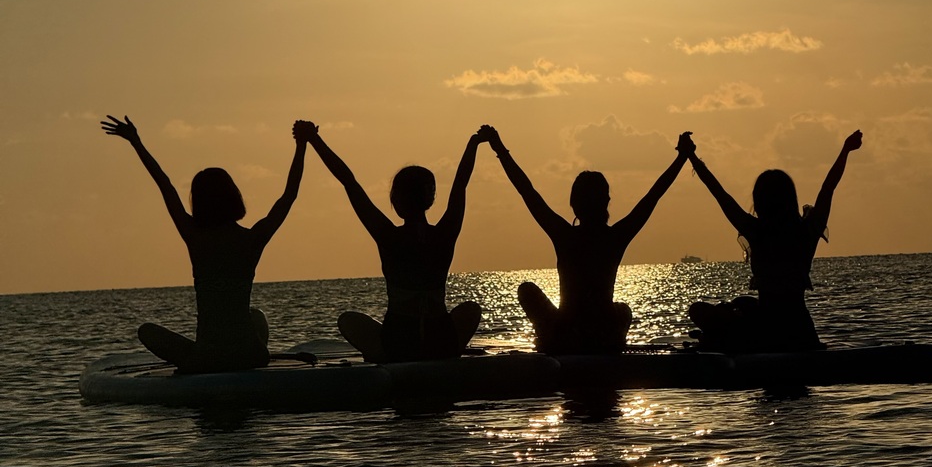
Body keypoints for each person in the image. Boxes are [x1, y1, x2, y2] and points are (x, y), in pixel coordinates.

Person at [101, 114, 308, 372]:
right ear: (234, 197)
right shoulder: (252, 239)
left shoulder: (194, 236)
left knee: (146, 331)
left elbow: (164, 185)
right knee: (255, 316)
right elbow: (289, 195)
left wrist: (136, 142)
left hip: (207, 358)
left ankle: (198, 356)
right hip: (251, 356)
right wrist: (302, 145)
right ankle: (239, 350)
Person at [482, 125, 694, 354]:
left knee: (527, 290)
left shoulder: (565, 235)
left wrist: (499, 148)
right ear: (607, 202)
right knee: (623, 310)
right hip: (602, 333)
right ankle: (593, 339)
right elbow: (653, 196)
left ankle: (549, 337)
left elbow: (527, 191)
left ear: (574, 204)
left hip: (566, 332)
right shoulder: (614, 237)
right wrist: (681, 158)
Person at [297, 121, 488, 362]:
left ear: (397, 199)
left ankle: (385, 358)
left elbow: (349, 182)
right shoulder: (444, 234)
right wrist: (474, 144)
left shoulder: (389, 236)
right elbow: (460, 185)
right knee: (470, 309)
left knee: (348, 320)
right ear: (430, 199)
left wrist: (314, 140)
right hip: (440, 339)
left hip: (398, 342)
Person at [686, 130, 864, 353]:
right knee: (741, 304)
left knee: (712, 309)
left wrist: (691, 157)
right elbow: (828, 188)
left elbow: (719, 194)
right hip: (801, 330)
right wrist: (846, 150)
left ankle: (712, 341)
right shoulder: (806, 230)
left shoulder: (756, 231)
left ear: (760, 202)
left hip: (767, 333)